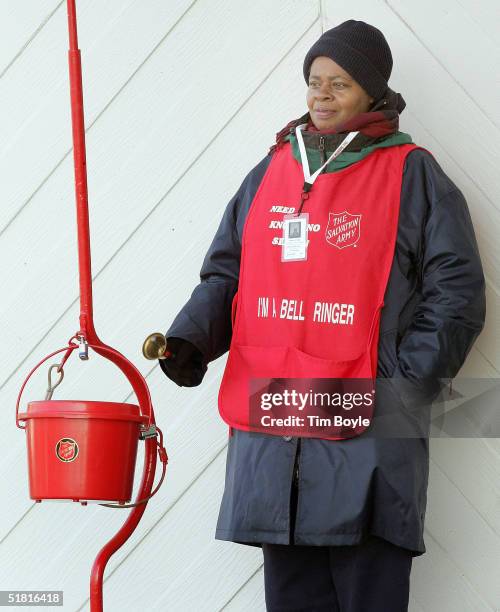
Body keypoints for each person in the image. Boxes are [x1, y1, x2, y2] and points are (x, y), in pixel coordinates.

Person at [160, 20, 486, 612]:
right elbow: (227, 272)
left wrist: (403, 385)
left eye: (340, 83)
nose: (323, 95)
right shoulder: (270, 172)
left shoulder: (413, 175)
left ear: (372, 92)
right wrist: (192, 337)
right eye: (315, 81)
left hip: (367, 432)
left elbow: (458, 293)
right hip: (275, 430)